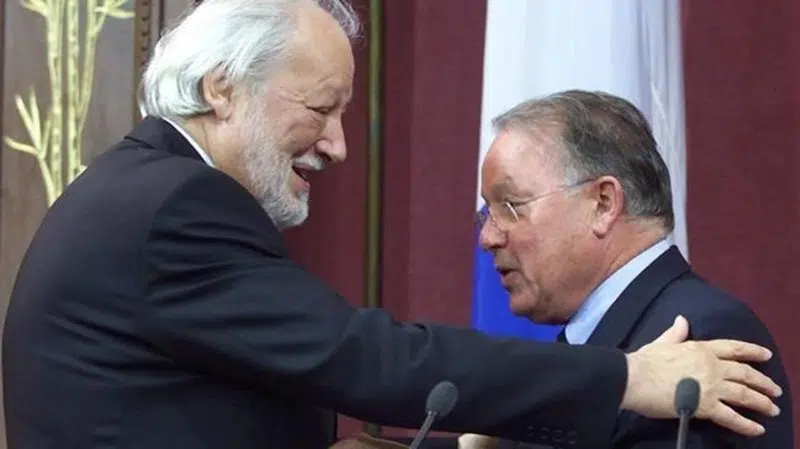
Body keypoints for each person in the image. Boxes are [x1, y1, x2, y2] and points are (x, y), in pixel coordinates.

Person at [1, 2, 782, 449]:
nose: (338, 144)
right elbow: (362, 357)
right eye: (322, 108)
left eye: (512, 205)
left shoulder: (141, 188)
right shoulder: (176, 207)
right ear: (222, 89)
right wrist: (627, 379)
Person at [459, 90, 793, 449]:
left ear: (603, 204)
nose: (488, 238)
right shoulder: (581, 348)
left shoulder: (702, 337)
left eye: (510, 206)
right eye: (487, 213)